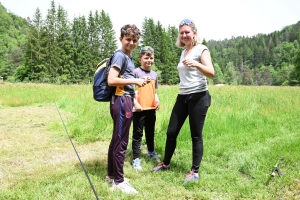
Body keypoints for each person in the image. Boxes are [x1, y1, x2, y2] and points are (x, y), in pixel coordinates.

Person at [152, 19, 215, 183]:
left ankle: (194, 171)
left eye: (187, 32)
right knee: (171, 131)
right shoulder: (183, 51)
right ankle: (166, 164)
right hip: (183, 96)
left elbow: (211, 72)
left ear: (194, 33)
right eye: (182, 33)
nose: (184, 35)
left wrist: (196, 64)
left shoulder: (202, 49)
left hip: (199, 96)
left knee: (196, 135)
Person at [105, 24, 150, 194]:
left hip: (125, 100)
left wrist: (137, 83)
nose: (131, 43)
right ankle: (119, 181)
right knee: (122, 141)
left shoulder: (127, 57)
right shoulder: (120, 56)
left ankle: (111, 175)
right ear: (121, 39)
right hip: (121, 101)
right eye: (128, 39)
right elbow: (112, 80)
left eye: (134, 40)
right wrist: (136, 82)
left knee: (117, 139)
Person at [131, 46, 160, 170]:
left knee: (150, 132)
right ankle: (136, 158)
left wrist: (157, 99)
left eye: (151, 58)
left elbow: (154, 91)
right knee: (137, 134)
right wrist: (135, 103)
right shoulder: (136, 72)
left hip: (151, 108)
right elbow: (130, 90)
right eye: (146, 58)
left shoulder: (154, 74)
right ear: (140, 59)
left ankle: (151, 151)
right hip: (139, 109)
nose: (149, 60)